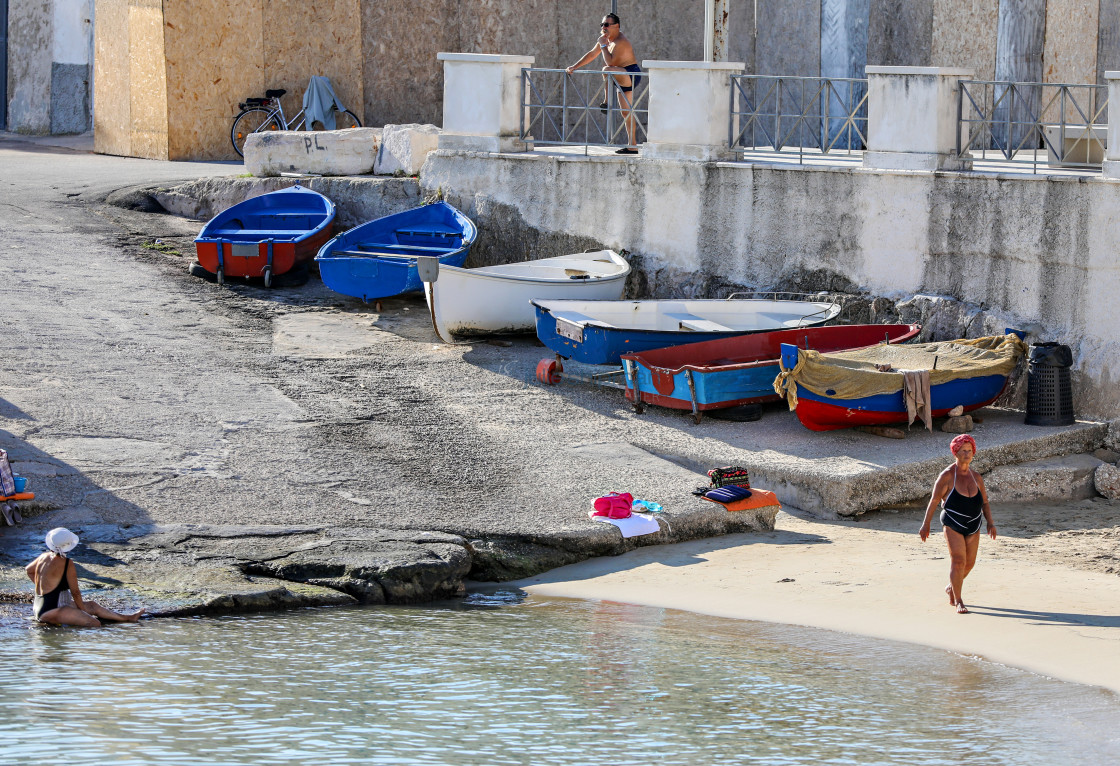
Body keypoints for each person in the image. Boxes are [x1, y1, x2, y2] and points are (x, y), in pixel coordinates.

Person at [919, 435, 996, 614]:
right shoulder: (946, 476)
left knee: (970, 563)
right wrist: (926, 524)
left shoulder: (976, 477)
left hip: (974, 523)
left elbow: (984, 501)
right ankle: (959, 600)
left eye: (970, 451)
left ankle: (951, 587)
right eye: (963, 451)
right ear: (956, 452)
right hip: (953, 522)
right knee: (958, 561)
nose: (967, 454)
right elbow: (934, 501)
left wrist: (990, 523)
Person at [26, 527, 145, 627]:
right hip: (50, 611)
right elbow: (75, 592)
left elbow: (29, 571)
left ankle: (128, 618)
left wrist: (44, 587)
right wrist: (82, 612)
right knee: (94, 623)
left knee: (92, 605)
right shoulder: (67, 563)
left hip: (40, 606)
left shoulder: (43, 556)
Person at [566, 13, 642, 154]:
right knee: (626, 112)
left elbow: (610, 62)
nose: (603, 27)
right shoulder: (606, 39)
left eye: (606, 24)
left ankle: (607, 101)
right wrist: (574, 67)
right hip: (620, 75)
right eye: (602, 24)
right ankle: (633, 145)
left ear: (616, 26)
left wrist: (603, 45)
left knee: (606, 69)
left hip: (630, 74)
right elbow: (591, 54)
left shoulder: (620, 41)